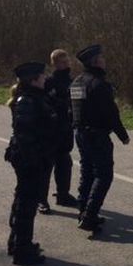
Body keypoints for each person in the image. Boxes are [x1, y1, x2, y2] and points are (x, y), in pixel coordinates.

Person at [70, 44, 130, 231]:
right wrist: (123, 135)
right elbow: (111, 114)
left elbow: (74, 109)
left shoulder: (77, 82)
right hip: (97, 135)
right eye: (102, 58)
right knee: (103, 175)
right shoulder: (100, 84)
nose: (105, 61)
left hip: (81, 133)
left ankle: (83, 210)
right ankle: (89, 215)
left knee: (87, 171)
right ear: (95, 62)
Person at [5, 62, 57, 265]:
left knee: (23, 202)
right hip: (29, 160)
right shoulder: (27, 101)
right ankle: (22, 250)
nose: (45, 78)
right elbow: (25, 135)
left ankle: (17, 243)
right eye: (42, 76)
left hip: (32, 158)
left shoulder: (35, 98)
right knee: (26, 205)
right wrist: (35, 160)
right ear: (33, 80)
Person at [37, 49, 77, 214]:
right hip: (50, 130)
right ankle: (41, 200)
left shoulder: (73, 81)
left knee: (65, 163)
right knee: (46, 166)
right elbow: (42, 104)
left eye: (67, 61)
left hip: (66, 129)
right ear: (54, 63)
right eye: (62, 62)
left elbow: (77, 104)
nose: (66, 64)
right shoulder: (48, 82)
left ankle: (63, 195)